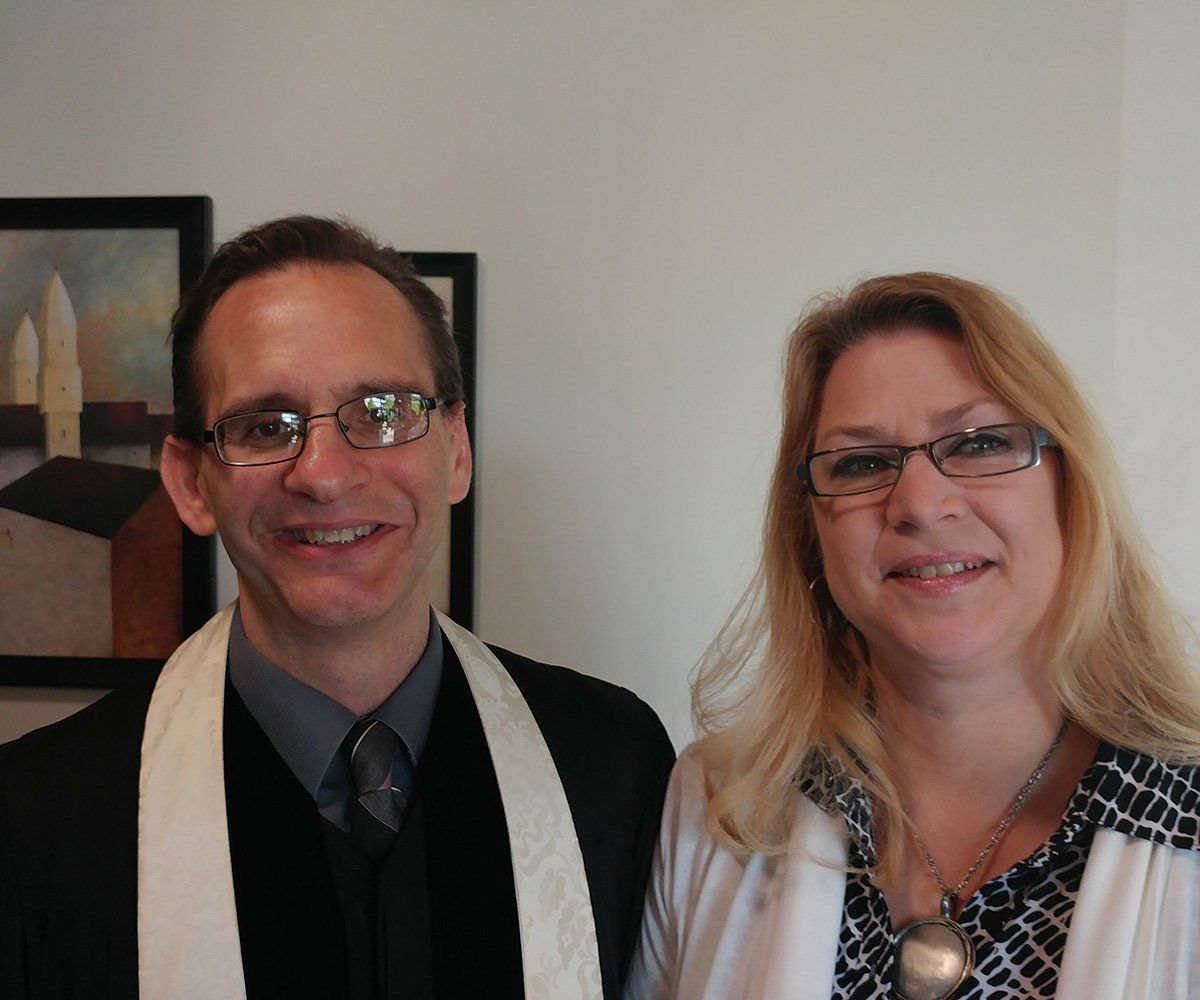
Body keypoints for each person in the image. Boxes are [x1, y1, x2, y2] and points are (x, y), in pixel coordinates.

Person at [0, 216, 675, 1000]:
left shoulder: (613, 761)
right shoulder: (36, 818)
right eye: (263, 425)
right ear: (190, 484)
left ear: (455, 449)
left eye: (382, 410)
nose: (322, 475)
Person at [628, 273, 1200, 999]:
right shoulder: (717, 807)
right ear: (810, 534)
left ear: (1072, 488)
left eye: (982, 443)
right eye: (861, 463)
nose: (922, 505)